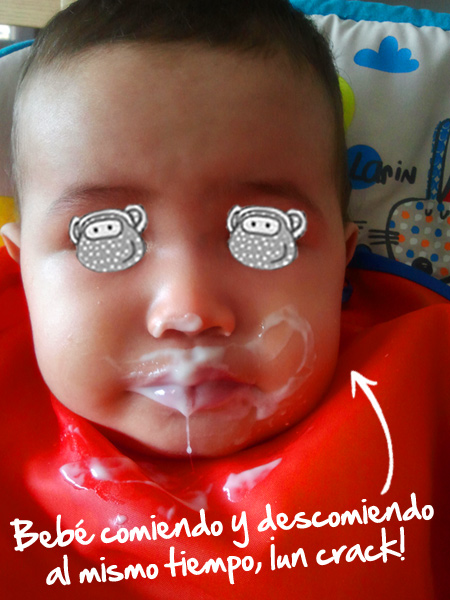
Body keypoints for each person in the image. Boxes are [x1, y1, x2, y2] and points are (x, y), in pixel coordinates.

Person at [0, 1, 448, 598]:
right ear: (21, 265)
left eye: (261, 232)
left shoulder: (426, 379)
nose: (188, 310)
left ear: (341, 260)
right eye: (105, 236)